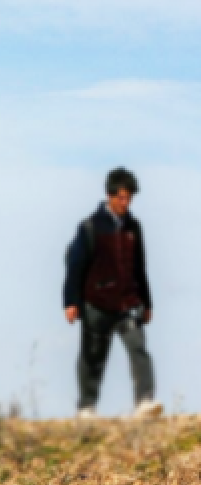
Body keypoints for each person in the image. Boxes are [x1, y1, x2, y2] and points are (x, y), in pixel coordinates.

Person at [64, 168, 161, 420]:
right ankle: (86, 408)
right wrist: (71, 302)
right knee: (92, 356)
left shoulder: (134, 228)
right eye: (121, 197)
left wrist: (147, 303)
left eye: (129, 198)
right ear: (109, 195)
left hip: (127, 303)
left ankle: (145, 403)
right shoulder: (90, 227)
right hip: (96, 303)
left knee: (138, 348)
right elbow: (75, 265)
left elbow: (140, 267)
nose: (125, 203)